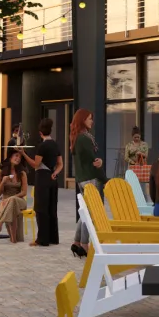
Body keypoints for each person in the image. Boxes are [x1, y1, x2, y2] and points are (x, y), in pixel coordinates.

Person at [69, 109, 104, 258]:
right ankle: (84, 244)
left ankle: (77, 243)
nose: (92, 121)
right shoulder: (84, 138)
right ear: (83, 120)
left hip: (82, 179)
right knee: (90, 213)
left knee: (85, 211)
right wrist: (100, 164)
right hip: (90, 178)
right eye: (89, 118)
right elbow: (93, 161)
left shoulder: (77, 137)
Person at [24, 117, 61, 247]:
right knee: (52, 208)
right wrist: (55, 173)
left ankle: (42, 239)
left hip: (42, 178)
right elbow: (60, 164)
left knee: (41, 208)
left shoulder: (42, 146)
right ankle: (53, 238)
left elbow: (35, 164)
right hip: (52, 178)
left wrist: (24, 154)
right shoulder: (55, 144)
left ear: (40, 133)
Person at [0, 150, 29, 243]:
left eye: (20, 157)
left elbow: (24, 192)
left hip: (19, 201)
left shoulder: (22, 174)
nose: (18, 158)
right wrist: (3, 181)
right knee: (12, 206)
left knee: (13, 200)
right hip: (5, 202)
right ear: (10, 157)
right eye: (16, 156)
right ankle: (13, 239)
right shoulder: (0, 174)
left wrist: (11, 198)